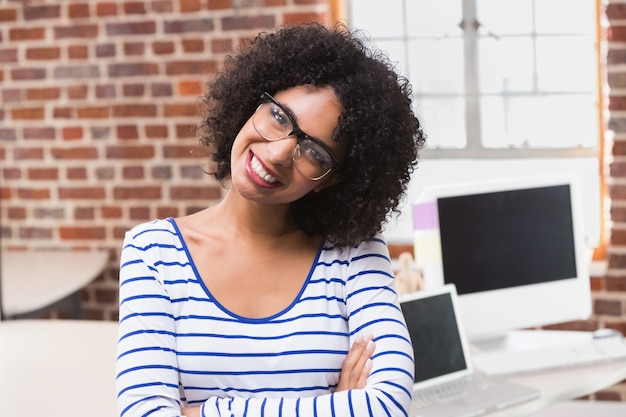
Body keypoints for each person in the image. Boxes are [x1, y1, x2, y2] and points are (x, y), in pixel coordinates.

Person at [116, 22, 426, 417]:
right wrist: (332, 406)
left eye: (314, 152)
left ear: (332, 180)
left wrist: (205, 411)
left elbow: (385, 405)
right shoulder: (153, 253)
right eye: (280, 117)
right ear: (251, 105)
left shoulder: (354, 254)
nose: (280, 153)